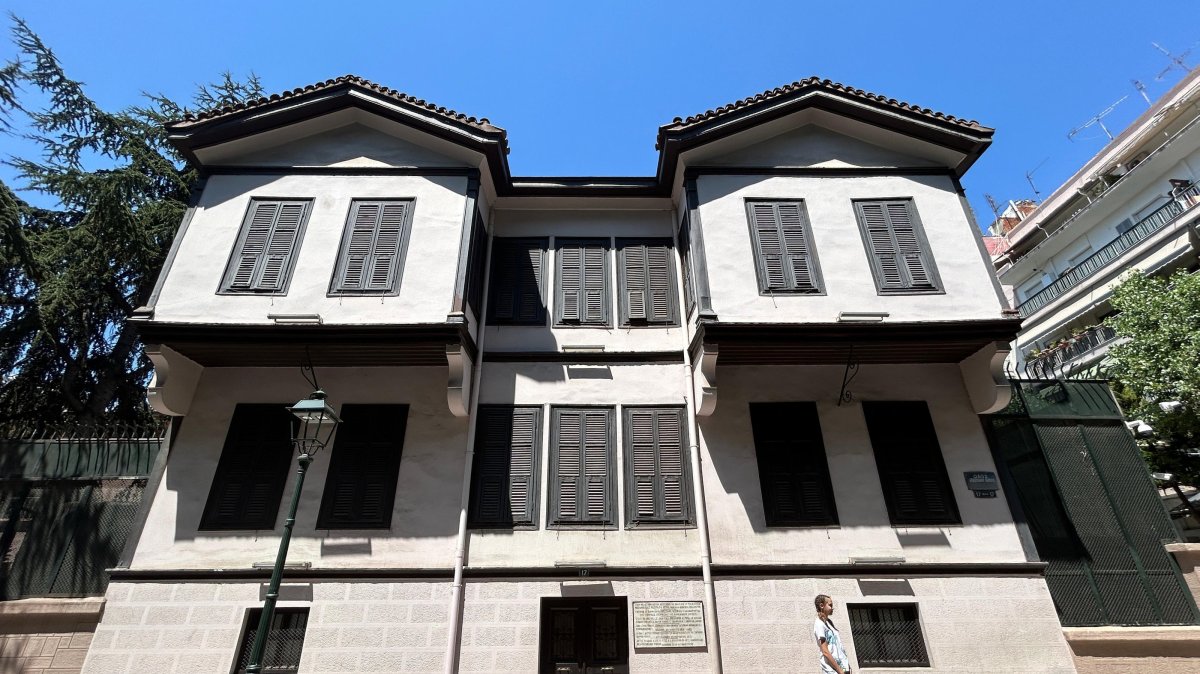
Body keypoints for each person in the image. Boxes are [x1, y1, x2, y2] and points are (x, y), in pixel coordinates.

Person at [813, 594, 851, 674]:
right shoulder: (819, 624)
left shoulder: (829, 623)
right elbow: (825, 651)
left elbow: (838, 647)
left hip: (843, 667)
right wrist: (839, 671)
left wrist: (848, 666)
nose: (832, 608)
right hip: (833, 670)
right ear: (822, 606)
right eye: (830, 605)